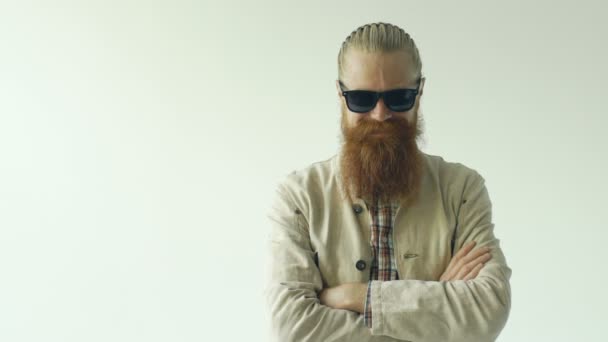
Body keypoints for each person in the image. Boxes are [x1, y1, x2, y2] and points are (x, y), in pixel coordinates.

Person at [263, 22, 512, 342]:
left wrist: (352, 297)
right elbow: (290, 327)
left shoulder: (461, 189)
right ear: (340, 95)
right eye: (362, 99)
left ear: (419, 93)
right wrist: (436, 307)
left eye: (399, 97)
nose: (381, 114)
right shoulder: (299, 197)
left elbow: (488, 310)